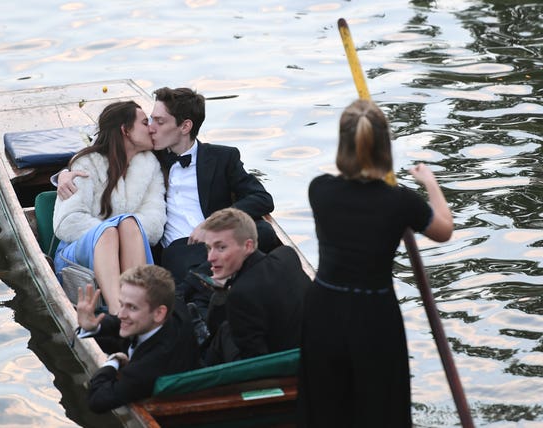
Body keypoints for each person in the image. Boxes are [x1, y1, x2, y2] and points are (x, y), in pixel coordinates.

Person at [297, 99, 454, 428]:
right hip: (373, 315)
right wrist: (429, 181)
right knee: (379, 406)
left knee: (327, 405)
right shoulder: (400, 203)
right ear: (385, 146)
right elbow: (444, 229)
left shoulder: (319, 190)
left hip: (324, 309)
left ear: (343, 144)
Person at [56, 87, 278, 286]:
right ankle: (216, 280)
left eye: (159, 122)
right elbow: (105, 153)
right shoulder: (150, 156)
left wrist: (214, 224)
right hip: (181, 250)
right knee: (183, 261)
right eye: (149, 120)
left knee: (266, 233)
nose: (151, 128)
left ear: (185, 126)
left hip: (220, 239)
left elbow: (261, 198)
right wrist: (64, 175)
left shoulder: (222, 157)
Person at [52, 101, 166, 315]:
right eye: (144, 122)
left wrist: (121, 229)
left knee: (129, 225)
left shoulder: (150, 165)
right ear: (126, 130)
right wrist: (111, 231)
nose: (151, 127)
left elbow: (155, 224)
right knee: (108, 232)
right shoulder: (86, 164)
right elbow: (67, 223)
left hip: (130, 242)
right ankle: (118, 314)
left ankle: (137, 308)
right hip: (79, 252)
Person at [194, 207, 310, 366]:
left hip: (285, 369)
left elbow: (254, 365)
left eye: (221, 247)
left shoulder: (240, 294)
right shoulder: (287, 255)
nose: (211, 258)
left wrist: (221, 294)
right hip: (311, 351)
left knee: (224, 331)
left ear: (247, 246)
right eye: (209, 248)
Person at [77, 264, 200, 413]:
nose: (121, 314)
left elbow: (96, 400)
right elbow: (122, 320)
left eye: (132, 307)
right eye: (121, 304)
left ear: (159, 313)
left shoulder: (147, 366)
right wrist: (95, 326)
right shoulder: (172, 305)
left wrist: (112, 363)